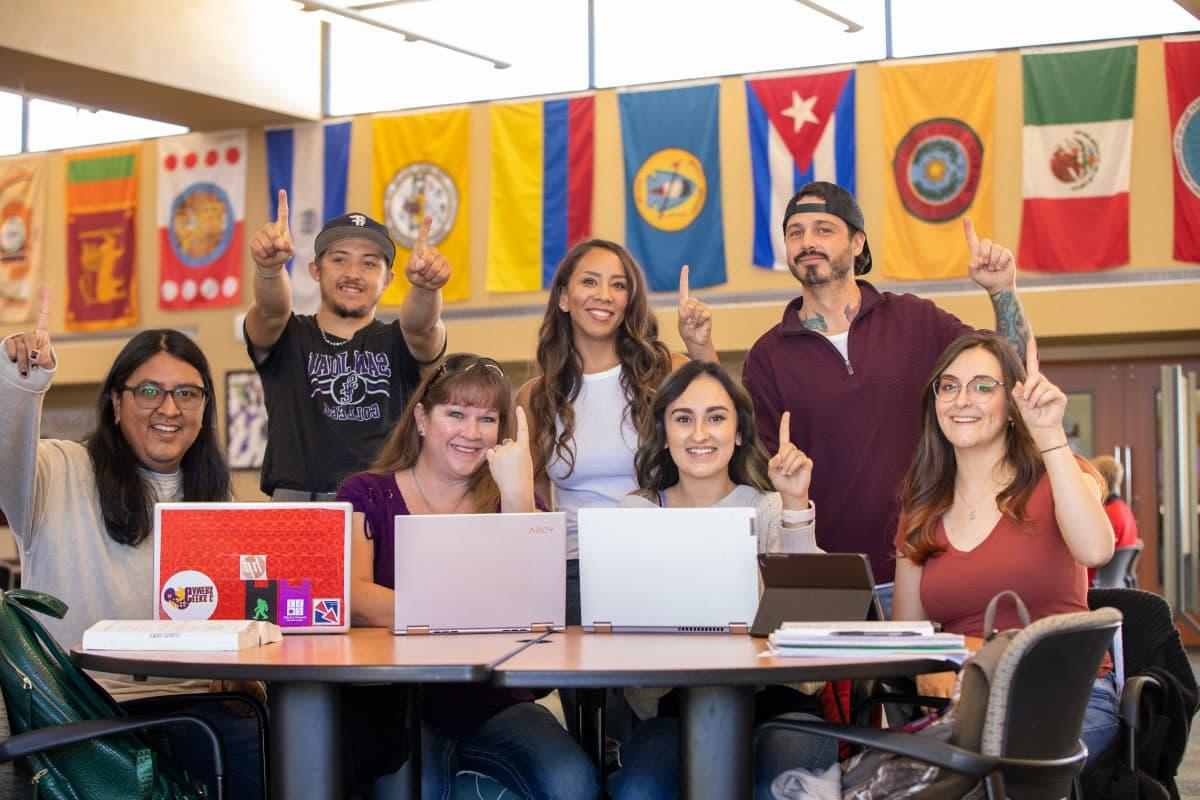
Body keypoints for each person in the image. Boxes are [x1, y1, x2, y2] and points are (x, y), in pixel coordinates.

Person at [0, 287, 261, 797]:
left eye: (187, 393)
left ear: (204, 409)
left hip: (195, 711)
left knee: (291, 749)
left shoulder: (221, 505)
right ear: (117, 403)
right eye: (148, 391)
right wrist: (20, 383)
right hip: (84, 707)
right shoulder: (57, 471)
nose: (169, 408)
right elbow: (6, 458)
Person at [741, 182, 1033, 603]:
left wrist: (1002, 291)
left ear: (858, 242)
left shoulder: (915, 320)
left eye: (823, 229)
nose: (807, 242)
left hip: (933, 563)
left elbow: (1013, 375)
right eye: (795, 232)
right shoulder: (767, 357)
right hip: (831, 581)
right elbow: (755, 474)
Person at [337, 353, 598, 800]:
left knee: (572, 780)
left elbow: (539, 603)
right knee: (412, 788)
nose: (471, 433)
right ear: (422, 418)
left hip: (493, 700)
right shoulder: (366, 492)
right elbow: (357, 596)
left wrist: (517, 496)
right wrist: (467, 613)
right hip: (398, 702)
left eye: (487, 419)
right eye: (456, 414)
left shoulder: (513, 500)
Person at [611, 360, 834, 800]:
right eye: (683, 419)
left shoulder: (772, 509)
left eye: (716, 417)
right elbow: (635, 665)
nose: (699, 434)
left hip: (782, 707)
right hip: (674, 712)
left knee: (775, 787)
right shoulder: (637, 514)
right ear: (664, 432)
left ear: (738, 432)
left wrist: (795, 505)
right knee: (641, 789)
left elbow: (812, 628)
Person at [892, 333, 1117, 765]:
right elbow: (908, 632)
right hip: (970, 698)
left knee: (986, 765)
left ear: (1012, 407)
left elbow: (1096, 551)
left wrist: (1050, 435)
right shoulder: (920, 506)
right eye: (949, 385)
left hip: (1067, 697)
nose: (962, 399)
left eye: (982, 387)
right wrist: (933, 665)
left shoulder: (1059, 475)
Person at [515, 240, 716, 624]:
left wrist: (700, 345)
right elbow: (535, 507)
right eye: (590, 282)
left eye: (618, 285)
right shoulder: (535, 396)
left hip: (662, 561)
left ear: (629, 302)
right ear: (563, 298)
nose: (604, 295)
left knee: (654, 683)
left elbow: (725, 421)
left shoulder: (667, 370)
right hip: (574, 570)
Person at [246, 189, 449, 501]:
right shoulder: (287, 335)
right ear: (315, 270)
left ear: (389, 279)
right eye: (339, 260)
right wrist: (270, 270)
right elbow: (272, 309)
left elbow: (421, 327)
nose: (353, 274)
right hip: (298, 508)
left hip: (382, 505)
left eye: (369, 264)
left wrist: (424, 288)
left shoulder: (400, 341)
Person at [1088, 455, 1140, 583]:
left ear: (1098, 480)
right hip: (1116, 583)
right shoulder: (1124, 509)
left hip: (1094, 584)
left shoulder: (1106, 515)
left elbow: (1091, 555)